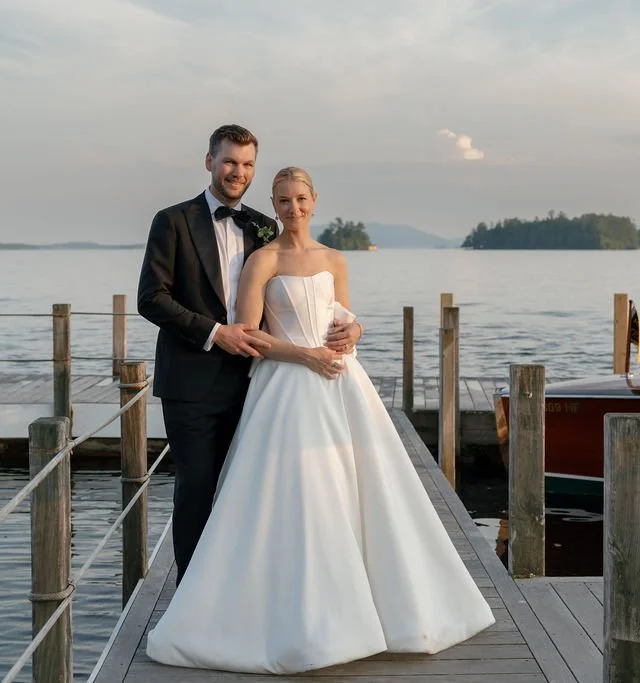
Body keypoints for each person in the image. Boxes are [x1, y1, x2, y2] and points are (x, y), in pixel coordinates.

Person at [145, 167, 496, 674]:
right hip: (286, 385)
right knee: (301, 494)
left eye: (301, 199)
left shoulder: (334, 258)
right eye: (284, 200)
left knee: (359, 489)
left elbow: (343, 316)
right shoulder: (262, 259)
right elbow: (248, 334)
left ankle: (375, 612)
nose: (293, 208)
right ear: (274, 204)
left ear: (314, 200)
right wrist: (305, 355)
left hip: (341, 384)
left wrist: (356, 329)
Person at [136, 125, 361, 583]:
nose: (237, 172)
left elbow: (298, 303)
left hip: (257, 380)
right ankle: (193, 594)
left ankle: (245, 587)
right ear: (210, 162)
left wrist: (353, 327)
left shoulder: (264, 226)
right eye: (229, 162)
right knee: (196, 489)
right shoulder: (173, 221)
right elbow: (151, 298)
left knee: (247, 491)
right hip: (191, 382)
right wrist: (215, 333)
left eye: (246, 164)